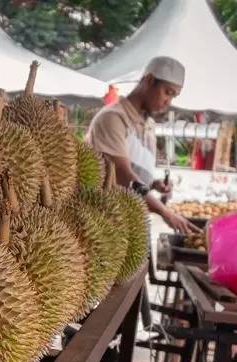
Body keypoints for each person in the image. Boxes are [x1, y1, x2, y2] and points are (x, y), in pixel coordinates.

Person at [85, 56, 199, 235]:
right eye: (167, 92)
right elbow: (122, 177)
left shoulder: (149, 125)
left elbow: (135, 176)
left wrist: (153, 183)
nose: (168, 102)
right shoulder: (113, 118)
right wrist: (165, 212)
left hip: (134, 224)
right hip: (105, 227)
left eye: (173, 96)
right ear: (149, 80)